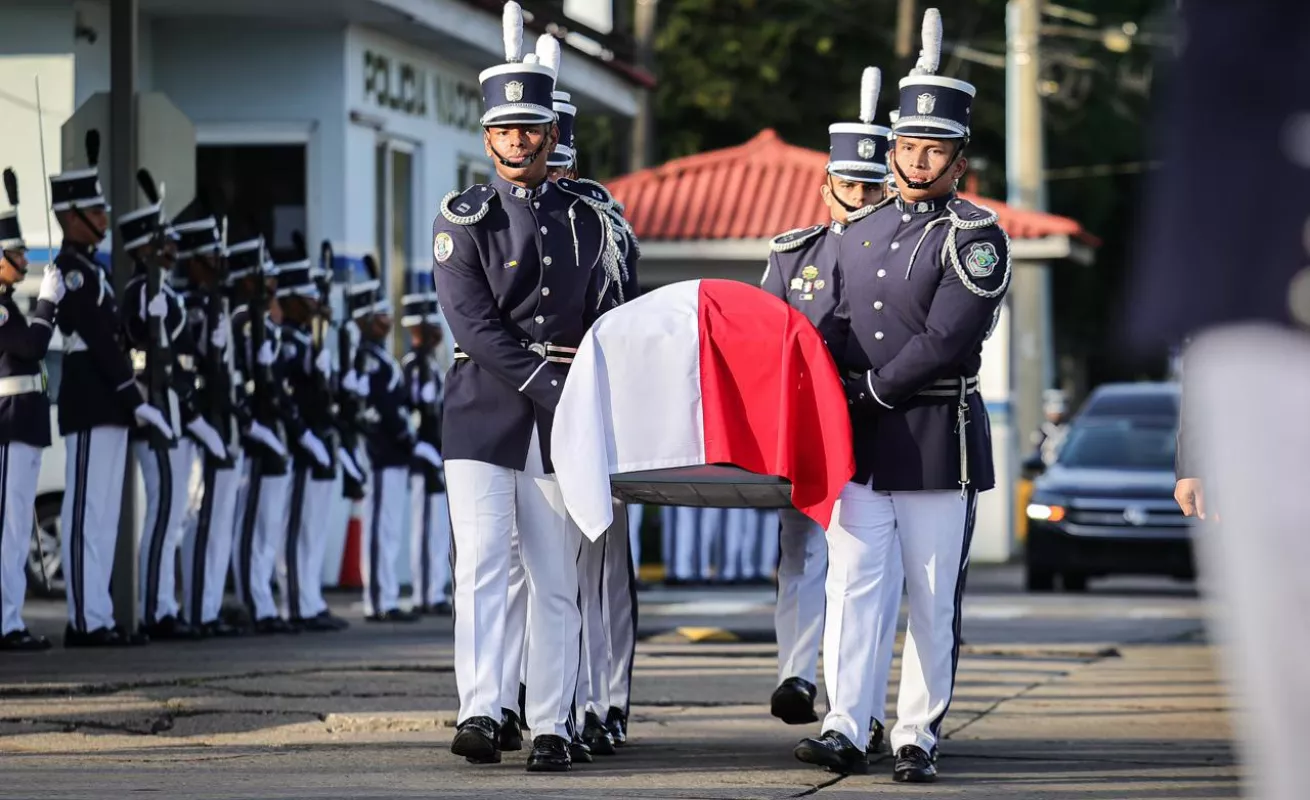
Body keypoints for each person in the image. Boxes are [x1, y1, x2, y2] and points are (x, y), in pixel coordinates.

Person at [793, 9, 1011, 782]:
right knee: (853, 587)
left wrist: (869, 392)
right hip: (860, 440)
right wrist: (818, 386)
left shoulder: (975, 236)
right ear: (892, 149)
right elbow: (829, 325)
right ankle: (846, 724)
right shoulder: (857, 233)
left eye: (935, 148)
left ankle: (916, 733)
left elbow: (947, 338)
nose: (919, 159)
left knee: (930, 594)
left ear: (959, 158)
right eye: (909, 145)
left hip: (933, 436)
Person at [432, 4, 624, 771]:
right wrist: (552, 380)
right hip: (483, 412)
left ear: (551, 133)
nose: (517, 140)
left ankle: (551, 722)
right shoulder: (464, 219)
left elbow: (605, 321)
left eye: (530, 128)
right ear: (487, 137)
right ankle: (481, 710)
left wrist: (589, 396)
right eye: (505, 129)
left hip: (561, 419)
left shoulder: (588, 220)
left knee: (554, 577)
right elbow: (475, 328)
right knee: (482, 569)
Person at [761, 66, 901, 754]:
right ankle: (797, 674)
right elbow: (767, 338)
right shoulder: (796, 255)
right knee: (800, 550)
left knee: (864, 571)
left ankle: (861, 709)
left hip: (878, 421)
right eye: (850, 185)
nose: (861, 197)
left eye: (873, 186)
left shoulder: (907, 254)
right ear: (827, 187)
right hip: (811, 425)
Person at [51, 131, 170, 647]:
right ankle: (84, 621)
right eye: (95, 210)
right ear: (71, 216)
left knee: (103, 519)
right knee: (85, 515)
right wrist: (133, 397)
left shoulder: (93, 271)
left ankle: (97, 615)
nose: (104, 218)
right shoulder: (70, 272)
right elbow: (100, 342)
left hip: (109, 405)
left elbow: (120, 336)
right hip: (90, 401)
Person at [118, 197, 228, 641]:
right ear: (144, 247)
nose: (172, 250)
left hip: (176, 414)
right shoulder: (138, 291)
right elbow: (140, 351)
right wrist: (148, 324)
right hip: (156, 417)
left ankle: (164, 605)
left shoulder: (164, 293)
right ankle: (155, 610)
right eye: (163, 243)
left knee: (171, 515)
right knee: (163, 516)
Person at [0, 168, 65, 651]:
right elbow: (31, 348)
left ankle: (10, 619)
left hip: (22, 428)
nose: (24, 261)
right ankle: (5, 623)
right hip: (9, 429)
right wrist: (47, 303)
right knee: (9, 530)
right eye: (16, 254)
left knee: (16, 528)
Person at [172, 215, 246, 637]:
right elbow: (193, 367)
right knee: (201, 520)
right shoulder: (190, 305)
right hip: (201, 421)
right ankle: (197, 610)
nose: (220, 263)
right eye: (211, 257)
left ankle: (209, 607)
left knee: (218, 525)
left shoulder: (217, 304)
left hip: (222, 418)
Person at [227, 238, 297, 634]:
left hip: (271, 432)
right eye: (264, 277)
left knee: (266, 527)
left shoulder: (265, 325)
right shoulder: (241, 320)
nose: (272, 285)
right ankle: (254, 602)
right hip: (253, 435)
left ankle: (263, 600)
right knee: (251, 525)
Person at [272, 253, 345, 631]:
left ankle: (311, 599)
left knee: (313, 530)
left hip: (318, 442)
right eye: (306, 298)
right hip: (301, 447)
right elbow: (289, 395)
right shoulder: (286, 341)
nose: (313, 304)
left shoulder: (307, 340)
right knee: (296, 529)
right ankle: (296, 602)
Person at [349, 281, 420, 624]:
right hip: (381, 452)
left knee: (389, 530)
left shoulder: (378, 356)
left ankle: (386, 596)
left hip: (394, 453)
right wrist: (403, 434)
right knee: (380, 529)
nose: (388, 321)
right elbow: (378, 408)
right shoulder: (366, 357)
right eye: (380, 315)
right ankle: (378, 600)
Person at [400, 284, 451, 616]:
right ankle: (423, 593)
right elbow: (411, 414)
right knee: (424, 527)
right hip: (423, 456)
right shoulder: (412, 365)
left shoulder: (432, 365)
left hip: (437, 455)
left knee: (437, 529)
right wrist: (424, 450)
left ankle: (434, 590)